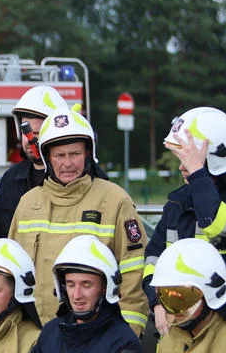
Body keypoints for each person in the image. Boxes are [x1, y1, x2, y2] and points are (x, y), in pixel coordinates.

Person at [8, 109, 148, 333]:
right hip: (35, 338)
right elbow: (12, 276)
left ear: (88, 154)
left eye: (74, 154)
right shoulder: (27, 204)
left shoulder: (114, 201)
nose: (67, 163)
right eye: (59, 156)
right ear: (47, 158)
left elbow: (134, 276)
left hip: (95, 337)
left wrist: (127, 337)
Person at [144, 107, 226, 335]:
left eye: (187, 159)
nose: (181, 167)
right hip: (178, 321)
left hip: (225, 326)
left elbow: (214, 223)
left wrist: (198, 172)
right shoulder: (176, 205)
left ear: (212, 159)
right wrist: (156, 302)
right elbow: (152, 259)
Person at [0, 86, 67, 242]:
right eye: (26, 132)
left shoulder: (73, 177)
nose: (30, 140)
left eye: (37, 134)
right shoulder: (11, 179)